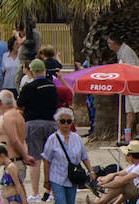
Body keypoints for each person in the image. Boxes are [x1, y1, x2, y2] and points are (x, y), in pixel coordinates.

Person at [19, 58, 60, 200]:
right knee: (51, 159)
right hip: (51, 123)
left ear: (31, 71)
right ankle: (52, 193)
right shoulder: (51, 86)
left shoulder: (28, 87)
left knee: (34, 159)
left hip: (33, 124)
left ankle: (35, 193)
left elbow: (20, 104)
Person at [39, 106, 89, 204]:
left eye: (69, 121)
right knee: (60, 201)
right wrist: (46, 179)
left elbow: (84, 156)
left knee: (71, 201)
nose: (66, 124)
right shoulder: (52, 139)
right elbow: (46, 160)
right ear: (58, 122)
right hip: (56, 177)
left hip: (73, 177)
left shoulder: (77, 138)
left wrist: (90, 171)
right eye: (63, 121)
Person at [90, 140, 139, 204]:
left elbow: (122, 181)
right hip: (134, 190)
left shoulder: (137, 167)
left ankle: (100, 202)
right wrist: (103, 180)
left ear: (131, 156)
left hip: (136, 191)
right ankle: (101, 201)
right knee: (116, 180)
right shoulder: (134, 165)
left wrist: (102, 185)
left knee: (120, 183)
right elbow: (118, 174)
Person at [110, 37, 139, 138]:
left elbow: (131, 69)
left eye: (109, 43)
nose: (109, 46)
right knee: (129, 110)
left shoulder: (126, 51)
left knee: (137, 109)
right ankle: (128, 134)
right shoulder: (120, 52)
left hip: (134, 85)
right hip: (127, 86)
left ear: (113, 43)